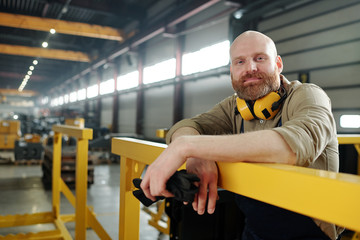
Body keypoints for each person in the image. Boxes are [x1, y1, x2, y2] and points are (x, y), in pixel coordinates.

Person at [140, 30, 342, 240]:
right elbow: (189, 125)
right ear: (231, 71)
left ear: (278, 64)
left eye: (260, 58)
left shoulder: (307, 95)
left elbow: (295, 145)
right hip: (255, 230)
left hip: (310, 234)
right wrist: (196, 155)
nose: (250, 68)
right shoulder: (234, 107)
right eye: (240, 62)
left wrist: (186, 147)